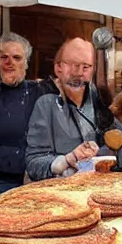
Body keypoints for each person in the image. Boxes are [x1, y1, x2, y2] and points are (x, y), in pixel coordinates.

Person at [25, 38, 114, 181]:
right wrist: (67, 160)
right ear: (58, 68)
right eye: (73, 65)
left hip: (94, 188)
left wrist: (98, 153)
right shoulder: (45, 103)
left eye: (86, 67)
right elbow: (33, 164)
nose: (79, 72)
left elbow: (112, 143)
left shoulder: (100, 99)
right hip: (57, 195)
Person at [0, 33, 43, 199]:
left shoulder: (40, 93)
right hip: (0, 183)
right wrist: (27, 161)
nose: (10, 62)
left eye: (17, 57)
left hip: (38, 180)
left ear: (26, 63)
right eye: (4, 57)